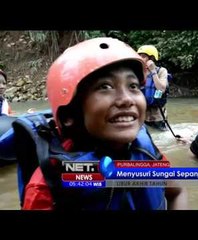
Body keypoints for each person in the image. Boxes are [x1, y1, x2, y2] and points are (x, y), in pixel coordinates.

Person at [13, 37, 187, 210]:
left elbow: (177, 191)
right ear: (69, 115)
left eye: (133, 86)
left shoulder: (145, 152)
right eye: (105, 87)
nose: (127, 99)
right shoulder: (49, 187)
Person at [137, 45, 169, 131]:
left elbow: (161, 89)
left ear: (151, 58)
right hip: (142, 117)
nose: (140, 58)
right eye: (139, 56)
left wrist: (153, 71)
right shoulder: (137, 73)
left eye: (143, 56)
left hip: (158, 117)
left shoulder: (161, 71)